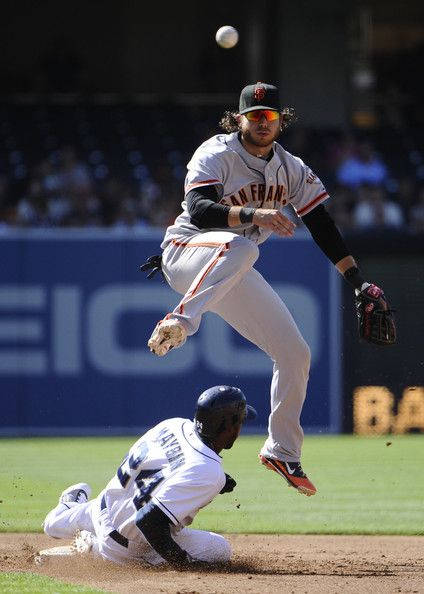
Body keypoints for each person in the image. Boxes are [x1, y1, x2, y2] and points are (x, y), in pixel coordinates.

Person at [143, 82, 391, 497]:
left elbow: (323, 225)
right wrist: (253, 212)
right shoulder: (216, 153)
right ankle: (180, 322)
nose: (262, 123)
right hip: (188, 252)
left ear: (281, 121)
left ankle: (282, 450)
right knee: (242, 247)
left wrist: (358, 280)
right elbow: (201, 211)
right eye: (254, 116)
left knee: (295, 353)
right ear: (237, 119)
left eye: (269, 117)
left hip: (229, 267)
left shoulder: (291, 168)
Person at [43, 386, 257, 567]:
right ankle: (91, 550)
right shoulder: (208, 472)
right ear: (228, 426)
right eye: (240, 421)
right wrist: (183, 563)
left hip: (102, 506)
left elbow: (167, 466)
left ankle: (67, 511)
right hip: (125, 547)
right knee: (221, 550)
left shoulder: (173, 424)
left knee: (51, 525)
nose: (241, 427)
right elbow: (149, 522)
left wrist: (211, 480)